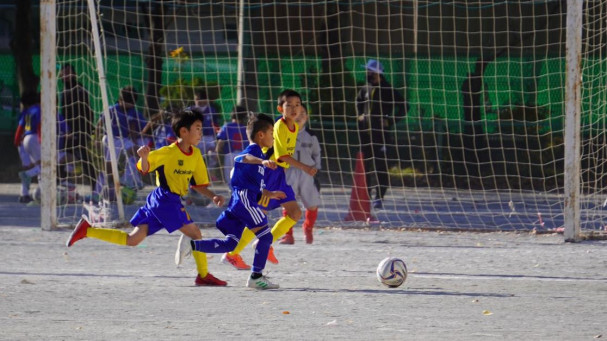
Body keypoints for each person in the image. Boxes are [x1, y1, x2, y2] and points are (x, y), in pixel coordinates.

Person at [66, 108, 228, 286]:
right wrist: (144, 157)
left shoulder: (196, 155)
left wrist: (213, 196)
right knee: (195, 233)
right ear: (184, 131)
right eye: (197, 128)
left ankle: (87, 230)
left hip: (162, 201)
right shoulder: (167, 152)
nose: (200, 132)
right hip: (165, 200)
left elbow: (198, 184)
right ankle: (203, 275)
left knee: (133, 240)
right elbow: (144, 168)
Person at [220, 89, 318, 270]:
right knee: (259, 218)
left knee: (295, 213)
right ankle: (232, 253)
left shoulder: (294, 127)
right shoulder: (280, 126)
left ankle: (264, 243)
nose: (294, 108)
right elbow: (282, 156)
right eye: (290, 105)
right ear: (281, 108)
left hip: (279, 174)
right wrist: (305, 167)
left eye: (298, 105)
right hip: (267, 174)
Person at [189, 113, 285, 289]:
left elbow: (255, 185)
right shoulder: (254, 150)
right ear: (261, 134)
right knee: (265, 236)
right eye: (272, 132)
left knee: (231, 243)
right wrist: (262, 161)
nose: (274, 136)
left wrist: (270, 194)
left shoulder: (258, 157)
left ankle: (193, 245)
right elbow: (241, 158)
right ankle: (256, 277)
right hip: (244, 201)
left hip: (237, 203)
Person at [356, 59, 407, 209]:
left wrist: (390, 121)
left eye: (370, 71)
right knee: (365, 164)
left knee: (381, 165)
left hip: (381, 134)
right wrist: (360, 115)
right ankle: (365, 194)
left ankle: (379, 196)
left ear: (377, 73)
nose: (367, 73)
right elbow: (358, 102)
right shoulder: (365, 88)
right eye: (367, 71)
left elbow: (404, 106)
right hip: (365, 133)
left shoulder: (387, 89)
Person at [94, 86, 147, 199]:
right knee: (109, 166)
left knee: (136, 152)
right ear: (121, 100)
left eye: (131, 104)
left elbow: (132, 128)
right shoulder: (112, 109)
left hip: (125, 139)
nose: (129, 106)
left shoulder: (132, 111)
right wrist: (96, 139)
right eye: (127, 103)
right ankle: (107, 186)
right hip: (111, 139)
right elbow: (99, 124)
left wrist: (134, 142)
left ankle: (132, 181)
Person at [280, 103, 322, 244]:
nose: (300, 116)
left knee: (312, 204)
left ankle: (308, 229)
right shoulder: (283, 132)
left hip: (307, 173)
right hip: (288, 172)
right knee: (288, 204)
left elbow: (317, 154)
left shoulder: (311, 136)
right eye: (297, 113)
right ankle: (288, 235)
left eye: (303, 113)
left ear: (307, 117)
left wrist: (316, 170)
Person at [59, 64, 97, 194]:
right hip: (68, 131)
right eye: (64, 72)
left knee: (84, 158)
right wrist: (65, 130)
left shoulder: (79, 90)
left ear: (74, 74)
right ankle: (63, 185)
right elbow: (64, 114)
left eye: (68, 72)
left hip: (80, 130)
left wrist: (87, 127)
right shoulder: (64, 91)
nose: (66, 75)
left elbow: (88, 110)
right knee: (62, 156)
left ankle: (95, 187)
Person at [13, 91, 41, 203]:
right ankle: (29, 177)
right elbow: (39, 126)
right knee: (43, 165)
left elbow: (24, 127)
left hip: (24, 140)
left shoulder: (27, 112)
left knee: (30, 166)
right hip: (34, 138)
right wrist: (41, 139)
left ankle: (24, 194)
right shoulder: (38, 110)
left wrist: (17, 140)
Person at [215, 105, 249, 184]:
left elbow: (221, 141)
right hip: (243, 155)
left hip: (230, 155)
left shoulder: (227, 126)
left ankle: (232, 192)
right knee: (241, 177)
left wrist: (217, 152)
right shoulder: (245, 128)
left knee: (229, 177)